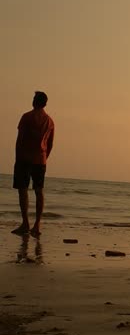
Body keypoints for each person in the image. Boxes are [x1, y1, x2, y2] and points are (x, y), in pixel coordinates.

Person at [13, 91, 55, 238]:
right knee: (39, 190)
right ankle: (37, 224)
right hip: (40, 159)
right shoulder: (49, 121)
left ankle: (25, 223)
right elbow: (50, 144)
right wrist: (44, 157)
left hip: (24, 158)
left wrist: (17, 157)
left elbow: (20, 139)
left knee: (23, 190)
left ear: (34, 101)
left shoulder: (27, 117)